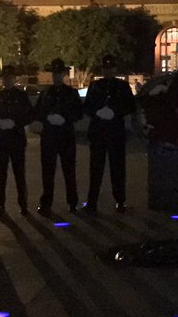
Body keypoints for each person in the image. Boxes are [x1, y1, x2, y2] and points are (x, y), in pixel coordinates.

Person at [83, 53, 136, 214]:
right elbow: (87, 106)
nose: (108, 71)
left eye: (110, 68)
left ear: (114, 69)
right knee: (95, 169)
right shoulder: (95, 86)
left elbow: (130, 106)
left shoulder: (122, 86)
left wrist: (115, 112)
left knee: (118, 169)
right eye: (106, 68)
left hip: (115, 132)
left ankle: (120, 200)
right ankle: (92, 202)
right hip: (99, 132)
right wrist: (98, 112)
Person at [0, 65, 34, 216]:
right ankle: (0, 203)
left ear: (14, 79)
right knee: (0, 174)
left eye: (10, 78)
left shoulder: (21, 96)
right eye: (5, 78)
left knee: (19, 173)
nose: (7, 80)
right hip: (2, 140)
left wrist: (15, 122)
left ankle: (23, 204)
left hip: (16, 138)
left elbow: (30, 115)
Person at [35, 57, 84, 215]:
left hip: (65, 136)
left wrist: (65, 118)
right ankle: (46, 202)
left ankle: (72, 202)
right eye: (54, 73)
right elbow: (37, 112)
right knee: (47, 172)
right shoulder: (45, 94)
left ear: (63, 74)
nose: (56, 76)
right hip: (49, 137)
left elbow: (78, 113)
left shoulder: (71, 93)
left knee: (69, 171)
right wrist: (47, 117)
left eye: (59, 73)